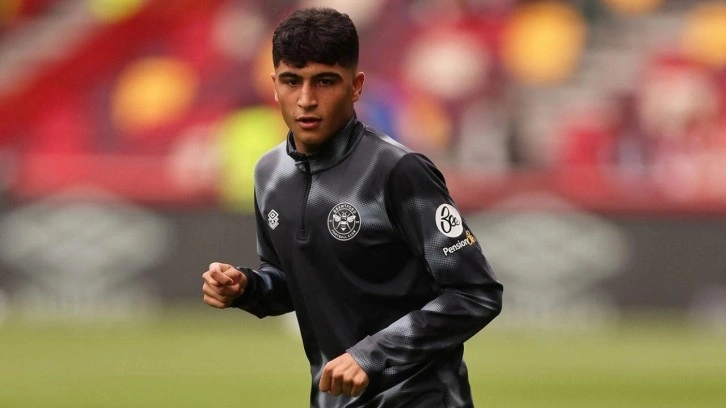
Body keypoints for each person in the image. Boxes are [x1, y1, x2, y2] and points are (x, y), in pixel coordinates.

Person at [202, 7, 503, 408]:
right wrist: (248, 287)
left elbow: (475, 293)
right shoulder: (270, 174)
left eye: (325, 81)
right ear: (274, 85)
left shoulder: (398, 172)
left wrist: (374, 354)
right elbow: (295, 283)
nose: (306, 100)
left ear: (356, 86)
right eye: (292, 81)